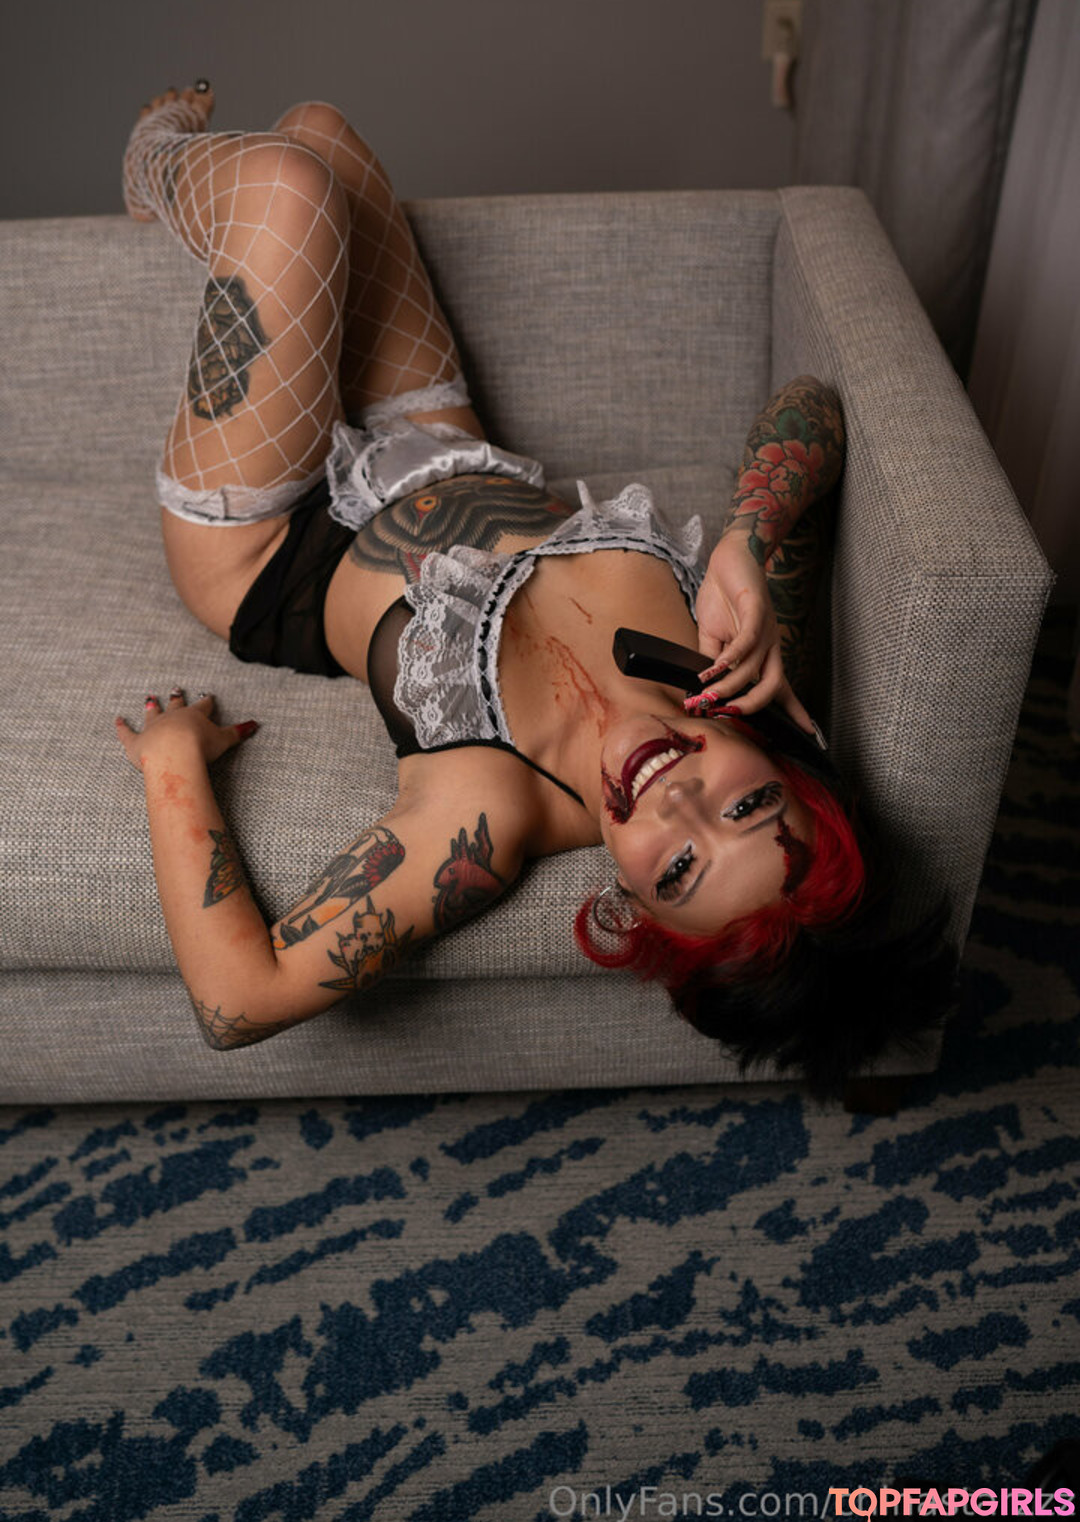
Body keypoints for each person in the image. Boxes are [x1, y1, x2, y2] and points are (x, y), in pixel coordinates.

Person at [114, 85, 954, 1100]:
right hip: (442, 443)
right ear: (789, 771)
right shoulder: (741, 660)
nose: (678, 799)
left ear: (633, 910)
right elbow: (814, 411)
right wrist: (748, 536)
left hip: (270, 544)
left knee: (288, 190)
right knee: (319, 132)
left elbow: (238, 1002)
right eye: (747, 804)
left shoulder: (487, 812)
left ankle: (150, 157)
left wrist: (172, 764)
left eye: (679, 867)